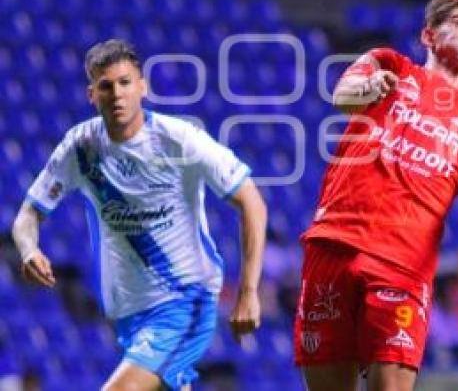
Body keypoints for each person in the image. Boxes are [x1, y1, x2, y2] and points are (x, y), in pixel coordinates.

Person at [11, 39, 267, 390]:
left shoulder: (179, 140)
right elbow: (28, 214)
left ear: (142, 87)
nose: (117, 94)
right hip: (129, 313)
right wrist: (29, 250)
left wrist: (248, 291)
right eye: (106, 86)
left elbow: (251, 201)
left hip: (185, 300)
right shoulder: (81, 147)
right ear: (92, 95)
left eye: (125, 83)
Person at [294, 0, 458, 390]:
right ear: (428, 35)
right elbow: (344, 96)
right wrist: (369, 88)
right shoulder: (390, 65)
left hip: (403, 264)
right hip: (334, 243)